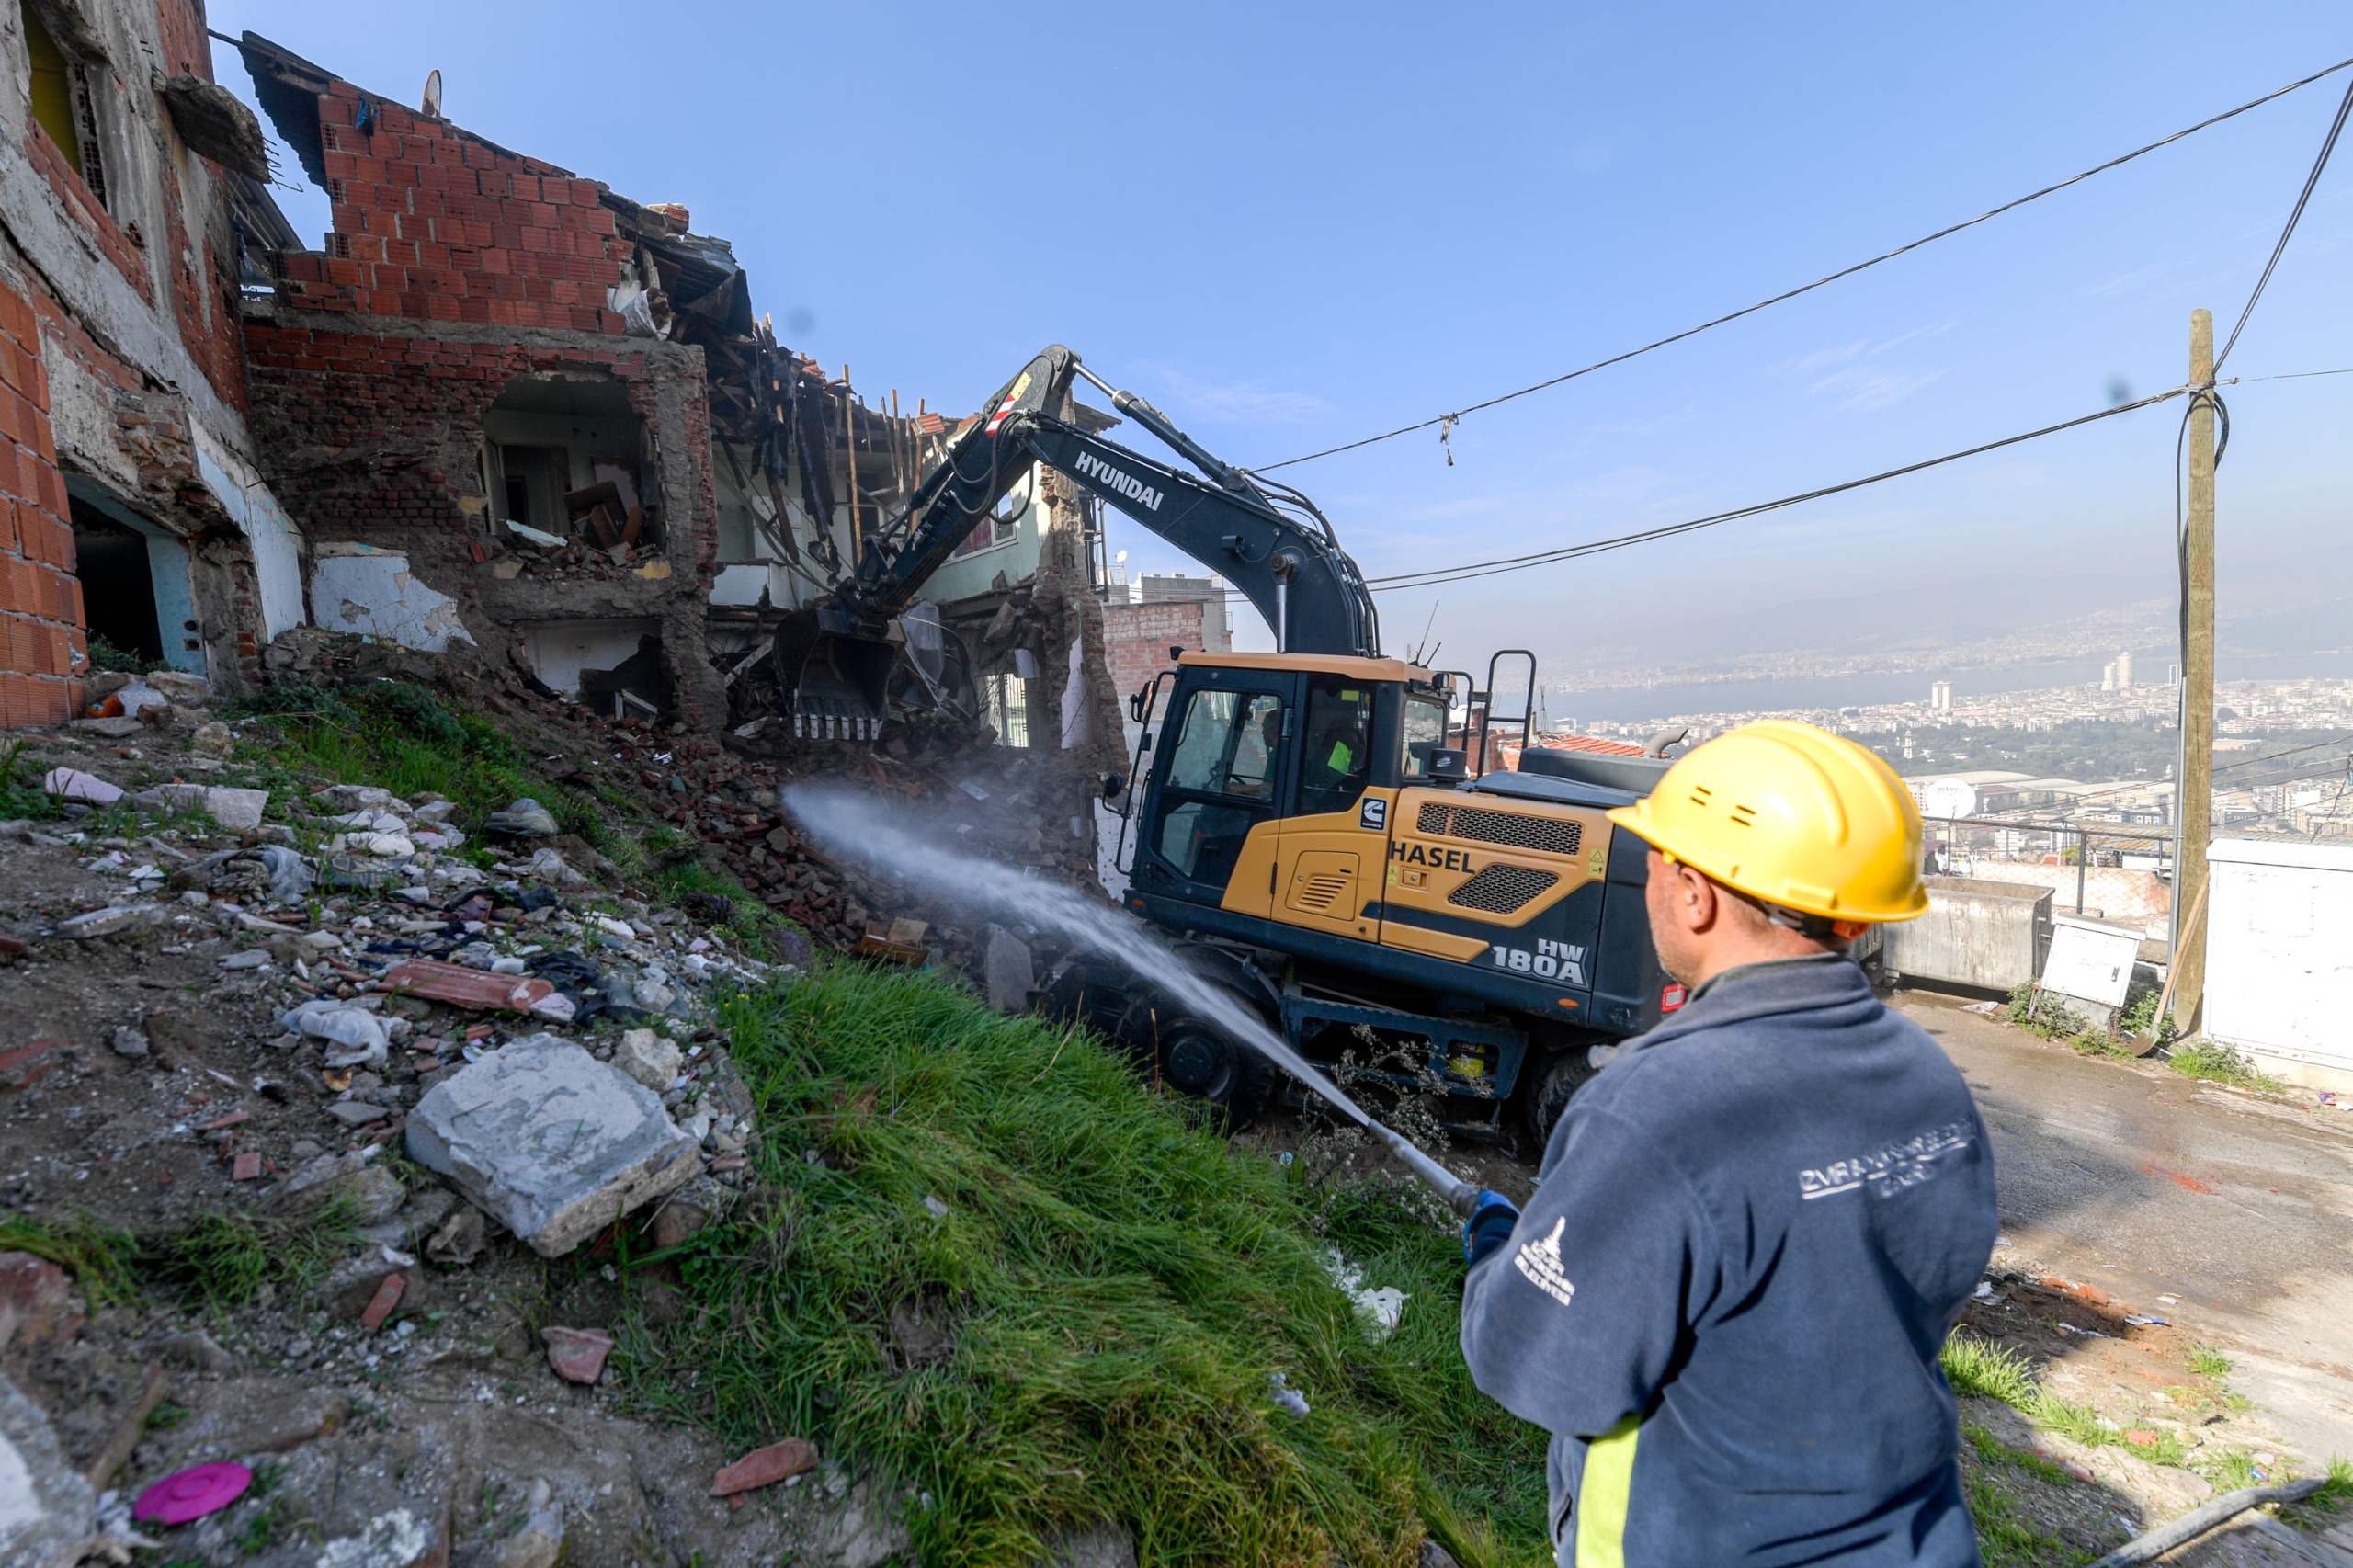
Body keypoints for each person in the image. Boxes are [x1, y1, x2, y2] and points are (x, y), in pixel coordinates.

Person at [1459, 719, 1997, 1566]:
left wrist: (1502, 1257)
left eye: (1656, 862)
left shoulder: (1655, 1110)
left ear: (1695, 894)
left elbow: (1540, 1368)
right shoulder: (1928, 1080)